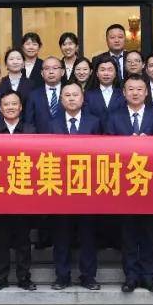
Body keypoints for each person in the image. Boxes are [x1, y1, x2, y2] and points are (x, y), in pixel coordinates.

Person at [107, 74, 153, 293]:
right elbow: (106, 150)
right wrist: (125, 145)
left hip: (151, 184)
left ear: (146, 92)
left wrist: (151, 145)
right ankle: (130, 276)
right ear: (124, 93)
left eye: (139, 89)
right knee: (128, 234)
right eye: (130, 89)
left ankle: (148, 276)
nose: (135, 93)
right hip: (124, 184)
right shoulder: (114, 118)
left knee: (149, 233)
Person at [49, 82, 102, 290]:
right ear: (61, 100)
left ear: (83, 98)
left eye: (75, 95)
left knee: (88, 235)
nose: (71, 98)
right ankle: (62, 276)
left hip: (87, 188)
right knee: (61, 235)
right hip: (60, 188)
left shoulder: (95, 122)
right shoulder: (51, 124)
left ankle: (88, 276)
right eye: (67, 95)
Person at [0, 91, 37, 291]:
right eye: (6, 104)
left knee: (23, 239)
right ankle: (1, 277)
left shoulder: (31, 131)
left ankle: (24, 277)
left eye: (14, 104)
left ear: (20, 107)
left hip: (24, 193)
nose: (10, 107)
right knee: (1, 239)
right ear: (0, 109)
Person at [23, 56, 66, 133]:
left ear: (62, 72)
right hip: (40, 139)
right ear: (42, 73)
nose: (51, 72)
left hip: (66, 138)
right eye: (47, 68)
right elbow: (29, 123)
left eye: (55, 68)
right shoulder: (33, 95)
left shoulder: (70, 93)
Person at [84, 53, 123, 122]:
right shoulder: (88, 95)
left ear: (115, 73)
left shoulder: (123, 94)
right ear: (97, 73)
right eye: (102, 70)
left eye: (110, 70)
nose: (106, 73)